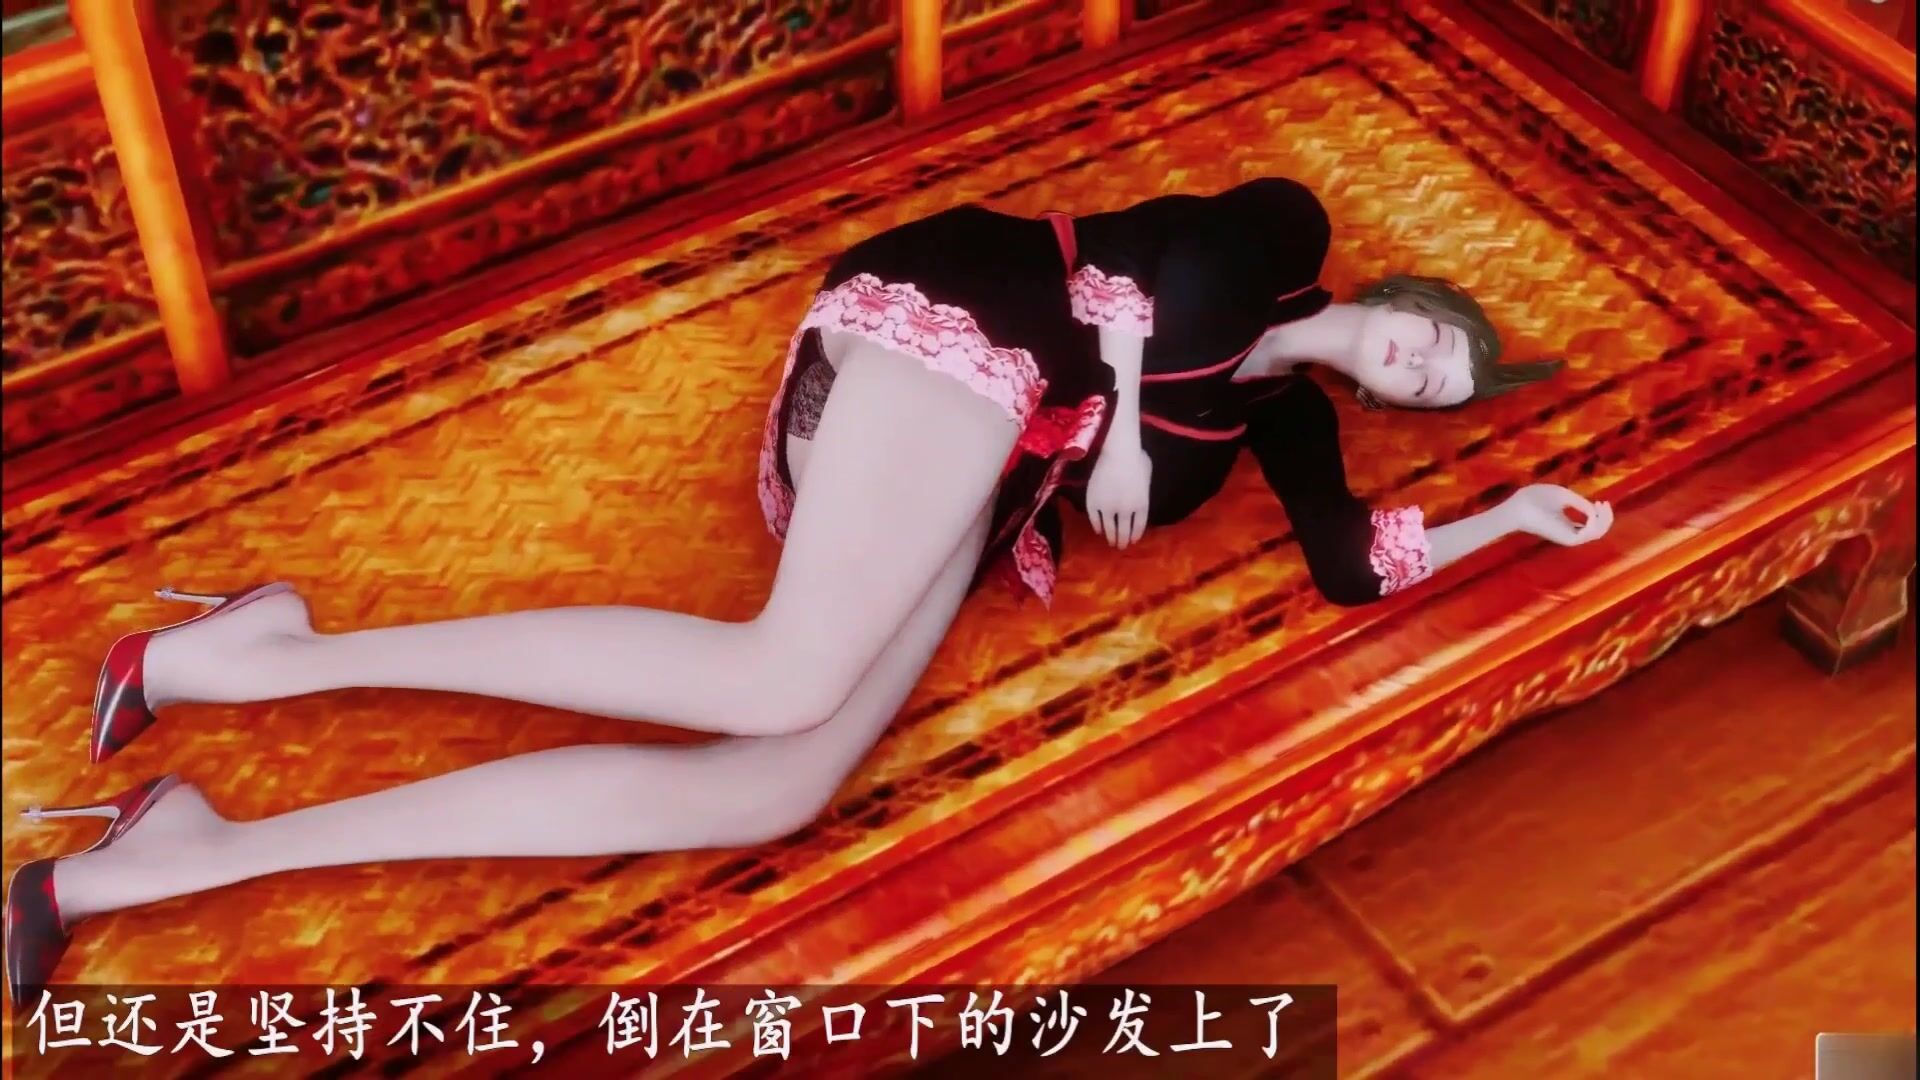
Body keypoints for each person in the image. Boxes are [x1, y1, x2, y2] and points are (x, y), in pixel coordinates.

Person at [4, 178, 1613, 1003]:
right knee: (780, 673)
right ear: (1404, 296)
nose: (1421, 363)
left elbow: (1348, 563)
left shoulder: (1286, 421)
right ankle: (262, 656)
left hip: (981, 467)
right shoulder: (1288, 239)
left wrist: (1504, 520)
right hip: (974, 319)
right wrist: (1125, 410)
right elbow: (1174, 259)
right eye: (1437, 337)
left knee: (775, 784)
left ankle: (202, 852)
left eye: (1436, 385)